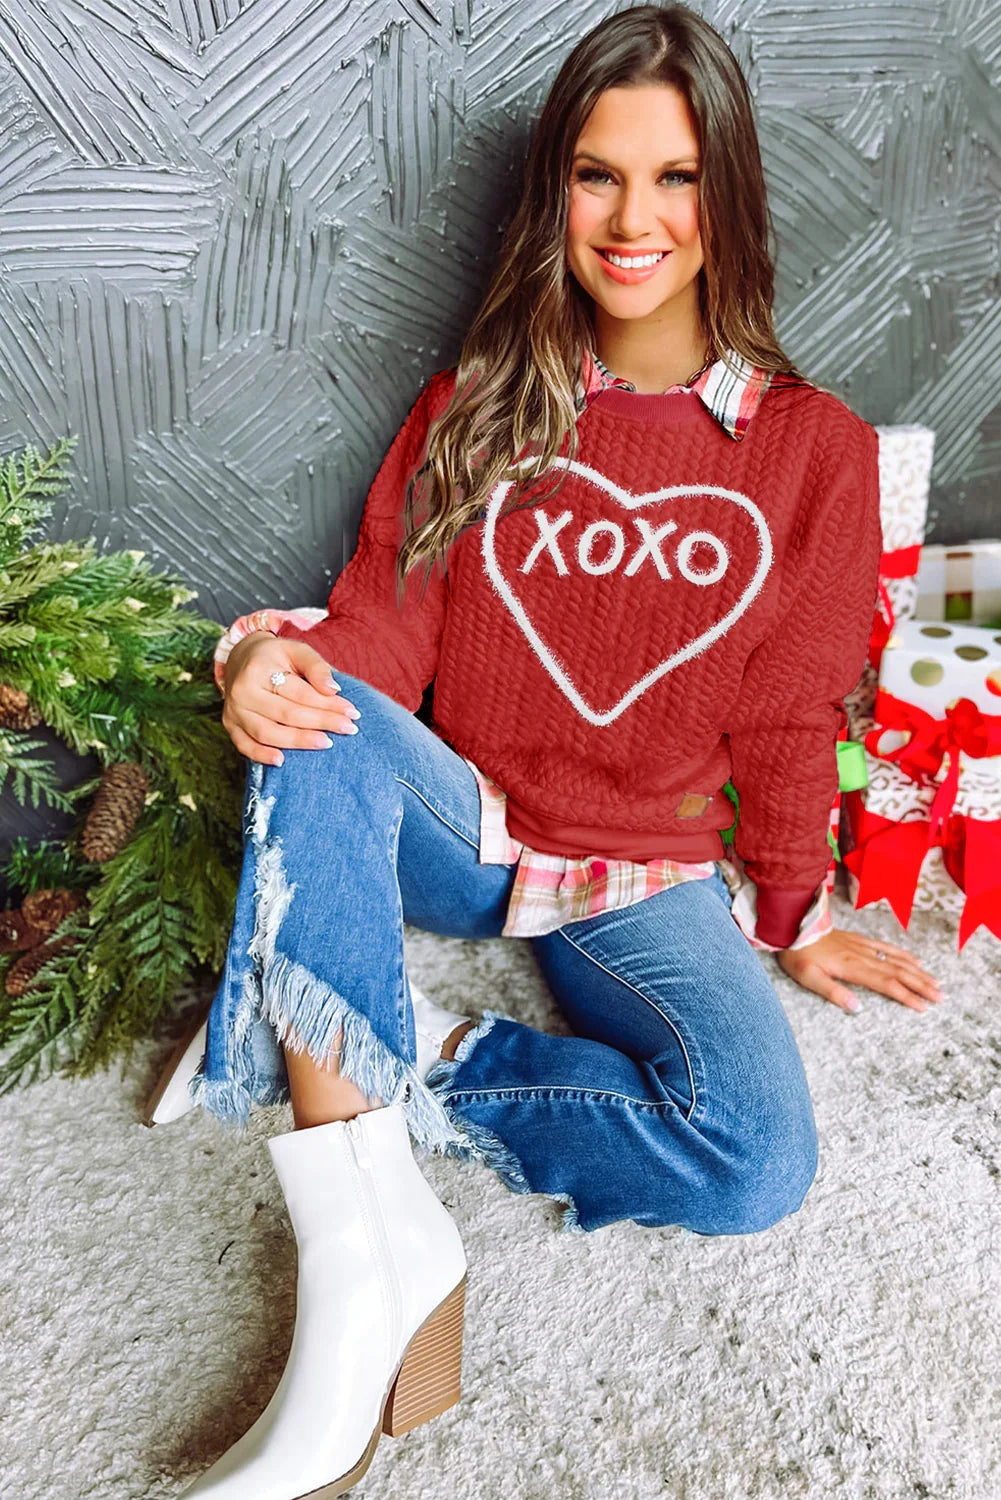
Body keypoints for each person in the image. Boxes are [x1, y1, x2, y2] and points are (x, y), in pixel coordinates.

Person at [162, 6, 943, 1496]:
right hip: (462, 828)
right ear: (554, 195)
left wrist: (794, 914)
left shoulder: (814, 453)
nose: (633, 219)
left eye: (675, 177)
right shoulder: (477, 407)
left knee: (755, 1161)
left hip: (639, 873)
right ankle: (357, 1272)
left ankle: (420, 1072)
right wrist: (266, 662)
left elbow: (787, 718)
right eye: (597, 177)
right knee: (315, 704)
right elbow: (380, 638)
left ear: (731, 198)